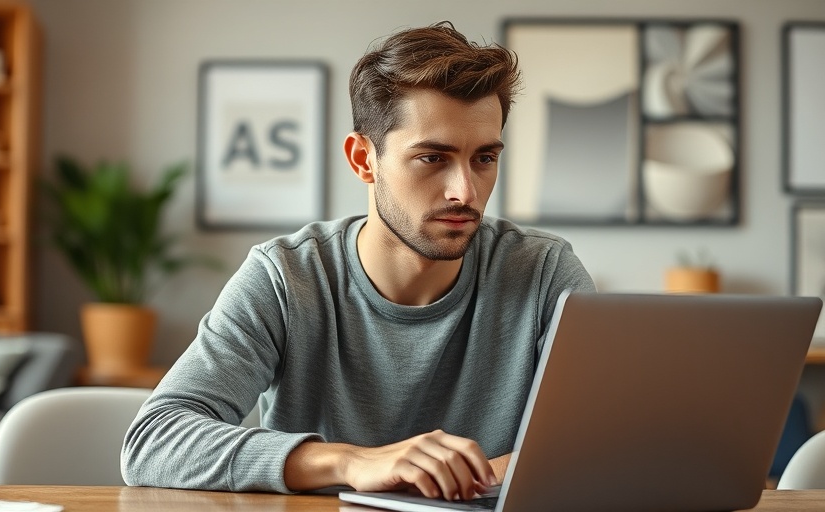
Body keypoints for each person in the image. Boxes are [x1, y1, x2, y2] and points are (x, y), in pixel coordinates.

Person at [122, 21, 595, 502]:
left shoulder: (544, 273)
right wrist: (352, 461)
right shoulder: (286, 277)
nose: (465, 192)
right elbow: (154, 441)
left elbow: (604, 444)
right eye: (432, 158)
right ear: (363, 159)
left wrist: (461, 480)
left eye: (484, 159)